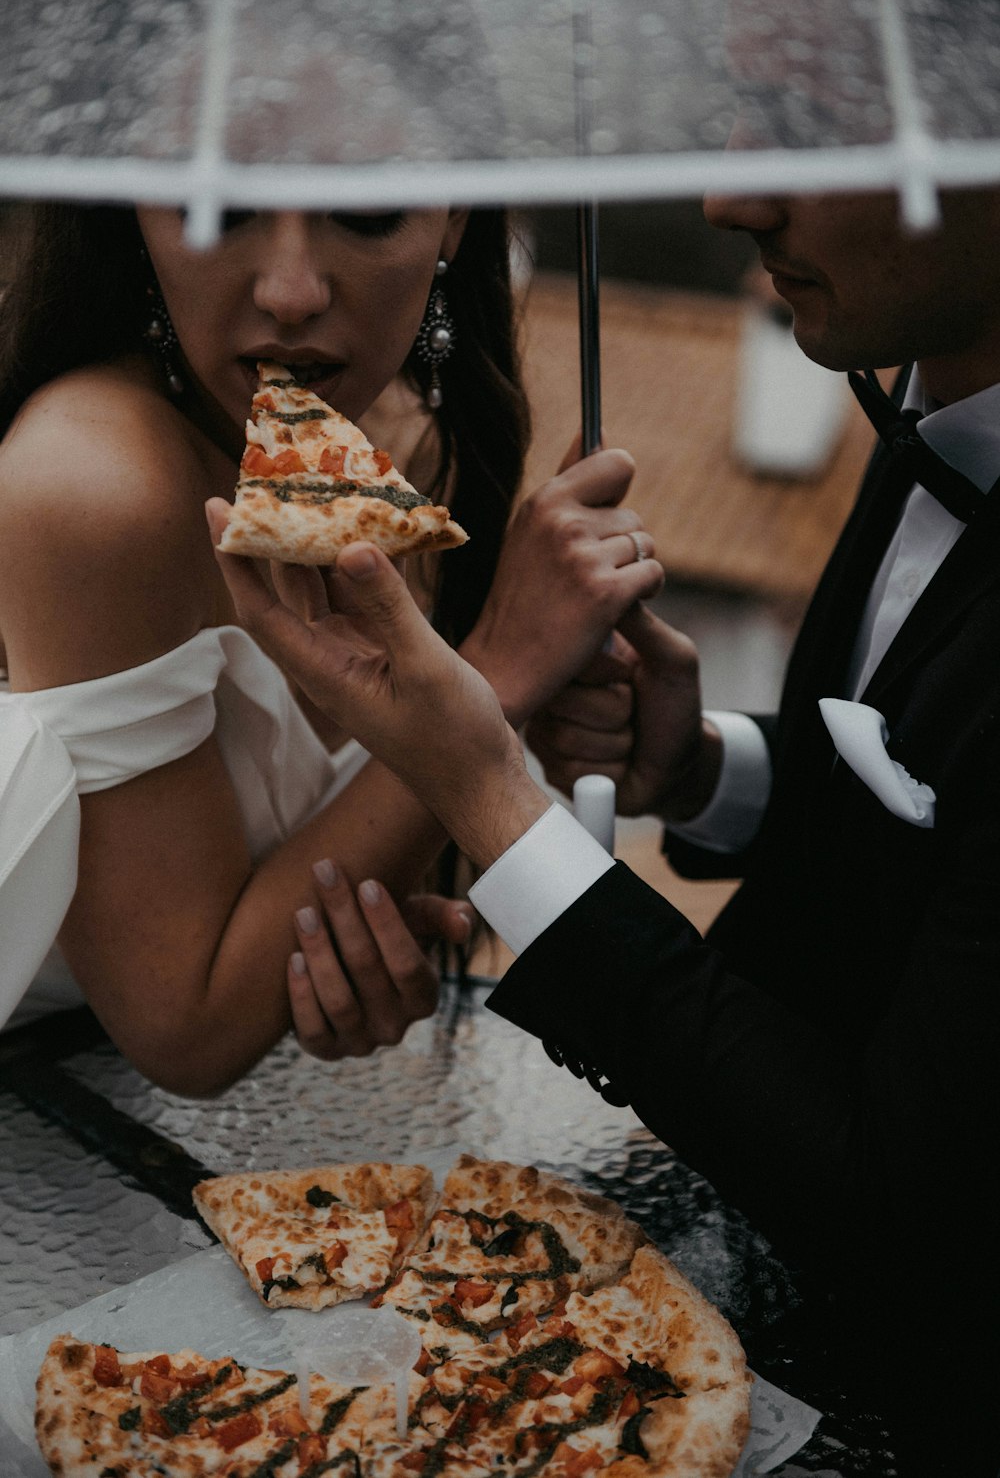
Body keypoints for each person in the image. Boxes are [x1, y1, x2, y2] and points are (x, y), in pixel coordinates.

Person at [208, 178, 1000, 1476]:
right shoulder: (926, 387)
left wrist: (487, 792)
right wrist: (696, 767)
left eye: (807, 122)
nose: (729, 195)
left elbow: (896, 1202)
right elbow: (944, 802)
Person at [0, 199, 663, 1095]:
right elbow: (186, 1027)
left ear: (456, 219)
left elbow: (307, 911)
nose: (291, 293)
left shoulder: (387, 450)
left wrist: (353, 941)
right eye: (215, 209)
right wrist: (503, 669)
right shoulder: (95, 481)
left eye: (366, 209)